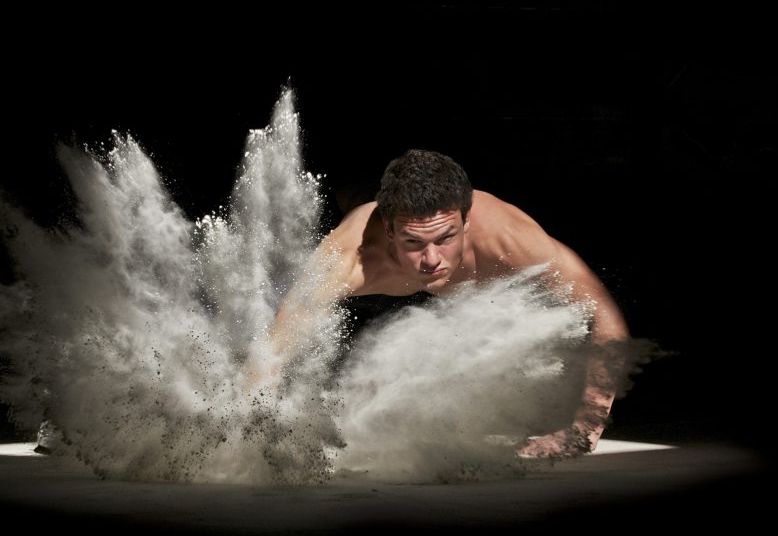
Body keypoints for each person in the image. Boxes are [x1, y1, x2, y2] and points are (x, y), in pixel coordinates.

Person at [260, 149, 631, 458]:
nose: (432, 259)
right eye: (413, 243)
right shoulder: (352, 255)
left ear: (466, 221)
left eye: (446, 237)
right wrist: (252, 433)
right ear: (389, 232)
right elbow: (278, 342)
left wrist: (582, 432)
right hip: (360, 200)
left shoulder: (505, 236)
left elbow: (606, 319)